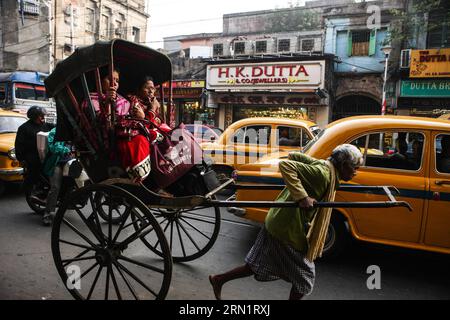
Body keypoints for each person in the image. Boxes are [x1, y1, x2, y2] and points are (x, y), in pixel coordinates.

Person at [209, 144, 363, 300]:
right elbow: (286, 165)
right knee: (305, 277)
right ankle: (219, 280)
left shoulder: (324, 166)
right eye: (354, 168)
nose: (355, 173)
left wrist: (306, 165)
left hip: (278, 221)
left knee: (254, 266)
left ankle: (218, 279)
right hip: (285, 226)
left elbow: (295, 156)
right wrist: (302, 197)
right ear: (343, 165)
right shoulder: (323, 173)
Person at [15, 106, 53, 198]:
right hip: (32, 156)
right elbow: (19, 145)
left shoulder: (45, 125)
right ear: (34, 116)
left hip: (45, 154)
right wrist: (21, 159)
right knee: (35, 169)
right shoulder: (24, 128)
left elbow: (56, 128)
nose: (43, 118)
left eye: (43, 116)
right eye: (41, 116)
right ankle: (34, 190)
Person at [41, 127, 73, 226]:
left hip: (71, 162)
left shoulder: (75, 132)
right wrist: (66, 150)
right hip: (57, 163)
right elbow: (53, 147)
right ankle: (47, 215)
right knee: (55, 187)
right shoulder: (55, 131)